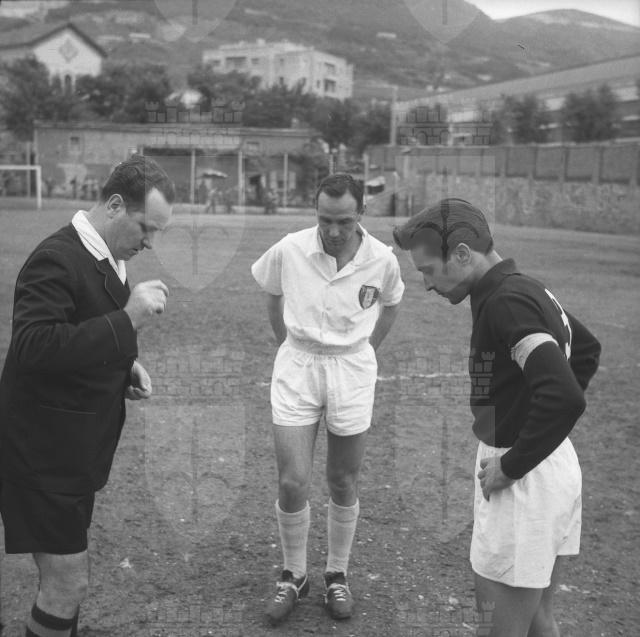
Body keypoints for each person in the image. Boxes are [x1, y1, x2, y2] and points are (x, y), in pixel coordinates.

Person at [392, 198, 601, 637]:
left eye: (428, 270)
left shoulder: (506, 301)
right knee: (538, 621)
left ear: (462, 254)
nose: (426, 285)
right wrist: (536, 429)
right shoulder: (523, 287)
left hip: (524, 478)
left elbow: (564, 396)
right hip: (550, 462)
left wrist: (513, 462)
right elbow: (585, 349)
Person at [0, 155, 174, 637]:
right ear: (114, 205)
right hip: (40, 455)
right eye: (145, 227)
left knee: (64, 584)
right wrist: (128, 319)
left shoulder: (108, 256)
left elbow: (78, 335)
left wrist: (123, 368)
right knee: (67, 583)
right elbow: (34, 346)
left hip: (71, 454)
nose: (150, 242)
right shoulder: (57, 257)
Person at [251, 173, 405, 625]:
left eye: (343, 221)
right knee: (292, 481)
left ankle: (337, 573)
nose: (333, 231)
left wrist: (367, 349)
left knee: (342, 479)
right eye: (324, 220)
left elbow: (392, 303)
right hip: (298, 366)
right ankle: (294, 575)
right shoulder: (290, 249)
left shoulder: (382, 259)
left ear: (361, 214)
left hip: (352, 369)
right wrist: (287, 345)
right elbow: (272, 295)